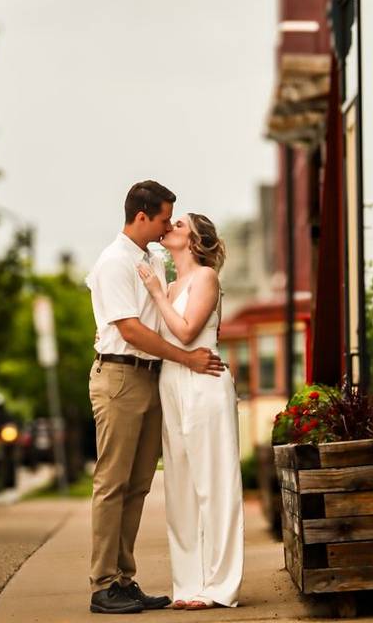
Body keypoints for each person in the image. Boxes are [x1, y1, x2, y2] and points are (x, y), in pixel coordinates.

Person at [84, 181, 225, 615]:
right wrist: (186, 358)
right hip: (120, 378)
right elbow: (130, 329)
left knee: (139, 485)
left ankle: (125, 579)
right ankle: (103, 583)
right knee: (112, 484)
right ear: (142, 216)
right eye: (164, 218)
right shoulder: (113, 262)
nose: (167, 225)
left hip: (150, 379)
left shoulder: (152, 258)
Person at [136, 213, 244, 610]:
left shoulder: (205, 278)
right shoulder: (171, 282)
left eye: (179, 225)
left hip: (204, 382)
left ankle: (220, 584)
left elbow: (185, 332)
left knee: (213, 483)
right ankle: (188, 584)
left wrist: (158, 295)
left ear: (196, 240)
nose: (170, 227)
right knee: (180, 486)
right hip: (172, 382)